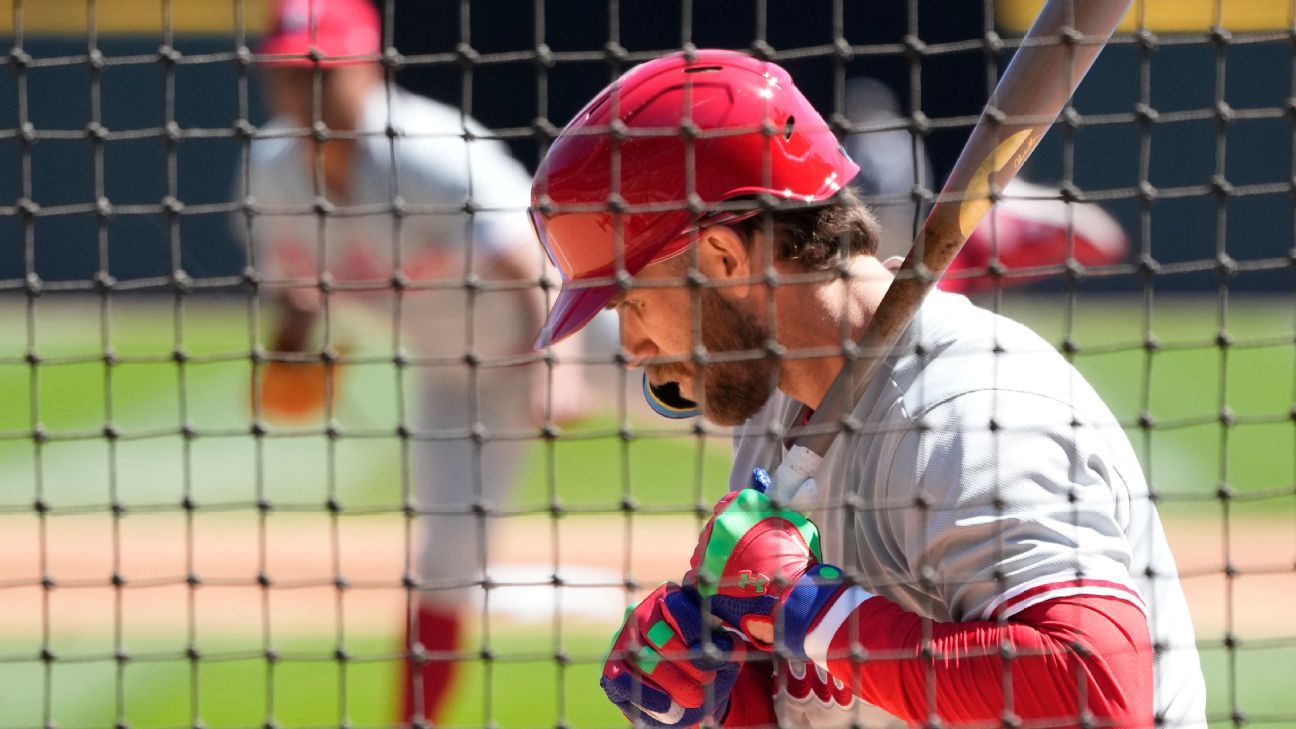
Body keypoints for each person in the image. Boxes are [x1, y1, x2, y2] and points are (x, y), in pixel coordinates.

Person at [528, 50, 1206, 728]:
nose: (635, 349)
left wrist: (810, 610)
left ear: (723, 258)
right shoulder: (776, 406)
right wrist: (725, 699)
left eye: (635, 305)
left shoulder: (970, 412)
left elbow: (1098, 695)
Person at [243, 0, 587, 723]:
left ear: (366, 68)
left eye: (318, 74)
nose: (300, 92)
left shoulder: (428, 149)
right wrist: (288, 350)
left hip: (575, 324)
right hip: (451, 373)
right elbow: (298, 289)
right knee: (444, 560)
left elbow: (537, 263)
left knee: (736, 425)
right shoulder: (271, 171)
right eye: (286, 75)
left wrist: (561, 366)